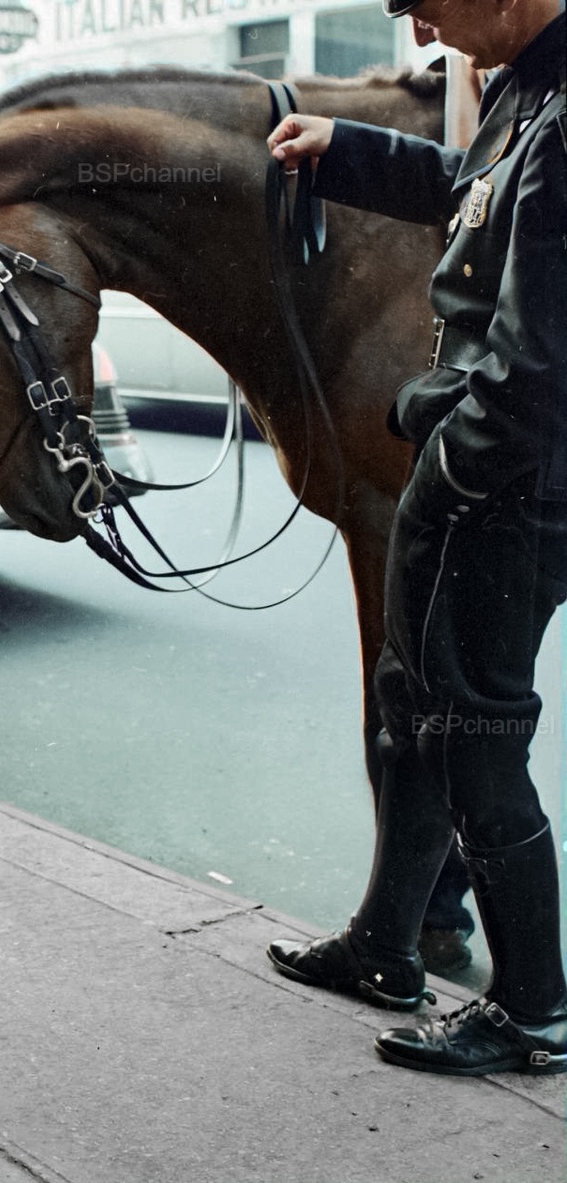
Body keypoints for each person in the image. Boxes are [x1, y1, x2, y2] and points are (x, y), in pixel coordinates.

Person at [264, 0, 565, 1076]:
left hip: (511, 485)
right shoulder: (528, 79)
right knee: (411, 708)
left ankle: (536, 1013)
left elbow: (538, 370)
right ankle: (387, 946)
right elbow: (466, 194)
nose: (424, 30)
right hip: (486, 468)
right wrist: (347, 147)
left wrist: (447, 457)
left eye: (430, 2)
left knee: (474, 735)